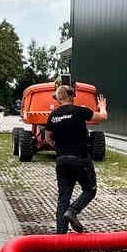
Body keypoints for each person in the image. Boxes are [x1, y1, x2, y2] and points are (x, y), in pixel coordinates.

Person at [46, 85, 108, 233]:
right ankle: (73, 211)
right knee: (90, 189)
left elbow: (48, 138)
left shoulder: (53, 115)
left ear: (59, 99)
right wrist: (102, 106)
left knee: (63, 198)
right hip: (80, 160)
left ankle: (60, 236)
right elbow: (103, 117)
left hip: (62, 161)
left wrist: (60, 148)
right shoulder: (80, 111)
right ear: (72, 96)